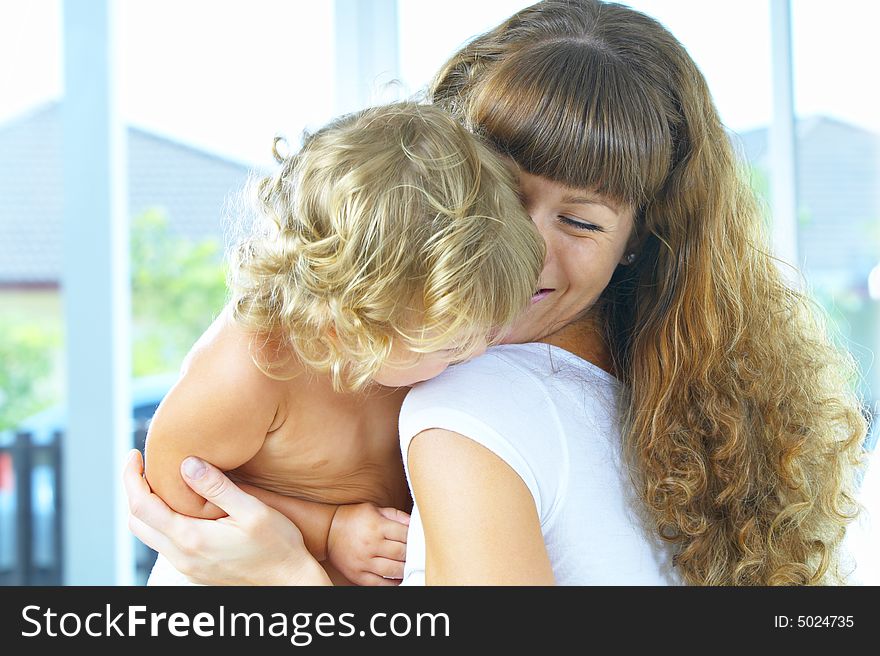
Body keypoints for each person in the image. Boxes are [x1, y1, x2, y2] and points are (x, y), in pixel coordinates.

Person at [125, 0, 869, 585]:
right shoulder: (340, 346)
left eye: (580, 220)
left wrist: (293, 576)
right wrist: (313, 543)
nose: (526, 250)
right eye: (500, 195)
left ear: (644, 237)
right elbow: (174, 491)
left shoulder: (483, 394)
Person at [140, 101, 544, 585]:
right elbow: (174, 487)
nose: (477, 351)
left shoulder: (407, 339)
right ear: (347, 326)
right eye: (448, 346)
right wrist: (327, 530)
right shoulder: (253, 364)